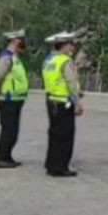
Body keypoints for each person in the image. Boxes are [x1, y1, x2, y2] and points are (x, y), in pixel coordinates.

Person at [42, 32, 83, 177]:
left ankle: (51, 163)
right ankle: (61, 167)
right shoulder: (65, 61)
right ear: (65, 46)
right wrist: (77, 102)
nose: (72, 47)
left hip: (51, 99)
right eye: (70, 44)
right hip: (63, 101)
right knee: (65, 136)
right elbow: (71, 83)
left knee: (54, 134)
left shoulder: (50, 60)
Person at [0, 29, 28, 169]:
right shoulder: (6, 58)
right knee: (9, 130)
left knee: (12, 131)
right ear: (15, 41)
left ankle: (7, 156)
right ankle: (0, 158)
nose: (24, 43)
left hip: (15, 99)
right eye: (21, 40)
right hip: (8, 99)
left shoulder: (14, 57)